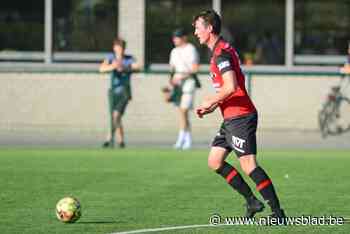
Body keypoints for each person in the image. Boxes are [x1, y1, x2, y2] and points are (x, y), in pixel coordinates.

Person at [192, 10, 286, 221]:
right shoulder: (219, 50)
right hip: (231, 117)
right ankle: (252, 202)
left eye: (198, 27)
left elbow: (231, 86)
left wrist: (211, 100)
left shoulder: (222, 53)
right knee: (215, 161)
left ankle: (277, 213)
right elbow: (229, 89)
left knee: (249, 165)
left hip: (241, 117)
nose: (195, 32)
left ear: (209, 28)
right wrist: (213, 107)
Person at [163, 28, 200, 150]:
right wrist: (170, 83)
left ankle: (181, 139)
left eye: (177, 37)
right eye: (174, 37)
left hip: (188, 84)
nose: (175, 39)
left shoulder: (191, 49)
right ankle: (187, 139)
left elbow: (194, 69)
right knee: (182, 113)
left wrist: (182, 77)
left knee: (184, 111)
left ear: (184, 38)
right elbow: (171, 69)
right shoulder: (173, 52)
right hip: (177, 86)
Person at [99, 38, 140, 148]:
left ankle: (109, 138)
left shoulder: (128, 59)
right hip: (113, 92)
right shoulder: (111, 58)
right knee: (115, 116)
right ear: (114, 48)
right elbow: (101, 68)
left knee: (116, 115)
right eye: (117, 47)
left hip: (124, 92)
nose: (119, 50)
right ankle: (121, 140)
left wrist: (125, 67)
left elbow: (137, 66)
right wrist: (113, 66)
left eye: (121, 47)